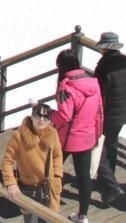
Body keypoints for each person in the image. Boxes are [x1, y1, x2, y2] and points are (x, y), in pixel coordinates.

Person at [51, 51, 104, 223]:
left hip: (68, 138)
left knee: (50, 169)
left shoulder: (66, 88)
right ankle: (83, 215)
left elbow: (64, 116)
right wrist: (96, 134)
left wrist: (50, 116)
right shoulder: (93, 84)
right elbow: (99, 113)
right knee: (83, 177)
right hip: (87, 136)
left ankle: (47, 205)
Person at [93, 31, 126, 198]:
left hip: (106, 114)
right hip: (122, 113)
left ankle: (110, 185)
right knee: (111, 144)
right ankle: (107, 179)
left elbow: (100, 94)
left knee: (97, 148)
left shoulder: (104, 66)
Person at [1, 101, 65, 212]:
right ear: (31, 117)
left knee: (51, 218)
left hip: (50, 187)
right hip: (30, 187)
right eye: (38, 115)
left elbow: (57, 155)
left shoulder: (53, 133)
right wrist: (11, 183)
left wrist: (57, 176)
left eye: (46, 117)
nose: (41, 119)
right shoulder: (19, 136)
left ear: (50, 120)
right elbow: (7, 162)